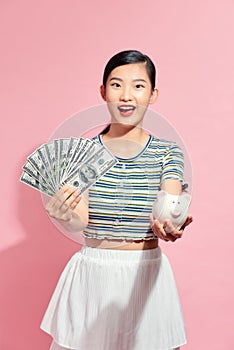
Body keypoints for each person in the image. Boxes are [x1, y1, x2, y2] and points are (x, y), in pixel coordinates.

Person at [41, 50, 193, 350]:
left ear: (152, 94)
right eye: (116, 84)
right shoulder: (80, 153)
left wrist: (170, 224)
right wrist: (63, 213)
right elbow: (80, 220)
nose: (126, 96)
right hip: (92, 272)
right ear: (103, 91)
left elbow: (170, 203)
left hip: (146, 273)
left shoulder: (167, 152)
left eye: (138, 86)